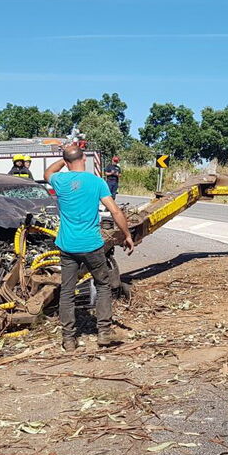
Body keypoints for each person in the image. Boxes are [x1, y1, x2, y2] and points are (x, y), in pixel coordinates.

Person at [45, 145, 135, 351]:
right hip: (92, 245)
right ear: (84, 159)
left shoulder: (60, 180)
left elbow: (48, 172)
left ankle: (69, 339)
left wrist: (63, 158)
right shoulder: (97, 182)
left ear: (66, 163)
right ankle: (104, 332)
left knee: (67, 291)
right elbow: (115, 211)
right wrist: (127, 235)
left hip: (67, 246)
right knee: (102, 285)